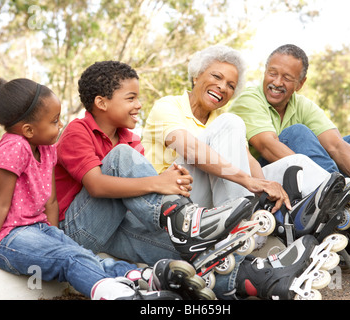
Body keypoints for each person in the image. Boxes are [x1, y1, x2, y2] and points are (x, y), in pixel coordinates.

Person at [0, 76, 203, 300]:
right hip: (7, 238)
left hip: (39, 229)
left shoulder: (46, 148)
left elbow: (51, 202)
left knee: (80, 253)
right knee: (70, 257)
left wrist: (56, 236)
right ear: (28, 130)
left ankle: (141, 277)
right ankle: (116, 295)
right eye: (54, 121)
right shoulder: (14, 148)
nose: (60, 125)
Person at [141, 45, 343, 300]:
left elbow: (250, 163)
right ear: (196, 76)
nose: (223, 87)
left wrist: (268, 187)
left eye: (230, 85)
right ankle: (240, 231)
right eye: (216, 77)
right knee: (233, 124)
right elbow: (190, 149)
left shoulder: (219, 119)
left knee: (293, 163)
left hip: (211, 207)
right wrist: (248, 180)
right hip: (176, 212)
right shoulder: (168, 106)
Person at [54, 60, 259, 292]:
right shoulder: (78, 131)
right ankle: (186, 220)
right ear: (101, 102)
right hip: (77, 230)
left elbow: (137, 197)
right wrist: (159, 182)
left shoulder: (130, 138)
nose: (139, 105)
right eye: (131, 98)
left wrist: (173, 182)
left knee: (187, 250)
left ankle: (253, 278)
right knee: (122, 156)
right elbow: (96, 186)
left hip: (116, 226)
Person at [228, 44, 350, 201]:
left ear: (300, 84)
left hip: (294, 173)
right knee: (297, 133)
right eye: (272, 73)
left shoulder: (302, 105)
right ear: (265, 72)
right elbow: (267, 146)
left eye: (287, 78)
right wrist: (330, 179)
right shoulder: (249, 99)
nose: (277, 82)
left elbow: (335, 144)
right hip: (256, 178)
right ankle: (337, 197)